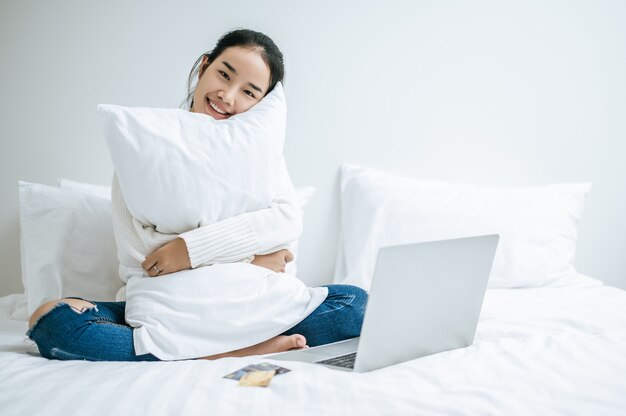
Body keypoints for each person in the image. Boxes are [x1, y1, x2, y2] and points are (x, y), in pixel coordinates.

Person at [26, 28, 368, 361]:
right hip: (172, 309)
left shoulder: (259, 154)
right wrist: (252, 257)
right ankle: (231, 351)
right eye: (224, 75)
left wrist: (188, 251)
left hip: (253, 307)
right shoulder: (146, 142)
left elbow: (286, 222)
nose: (228, 96)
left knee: (357, 304)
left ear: (262, 104)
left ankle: (180, 351)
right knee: (53, 321)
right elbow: (145, 252)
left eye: (249, 92)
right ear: (204, 67)